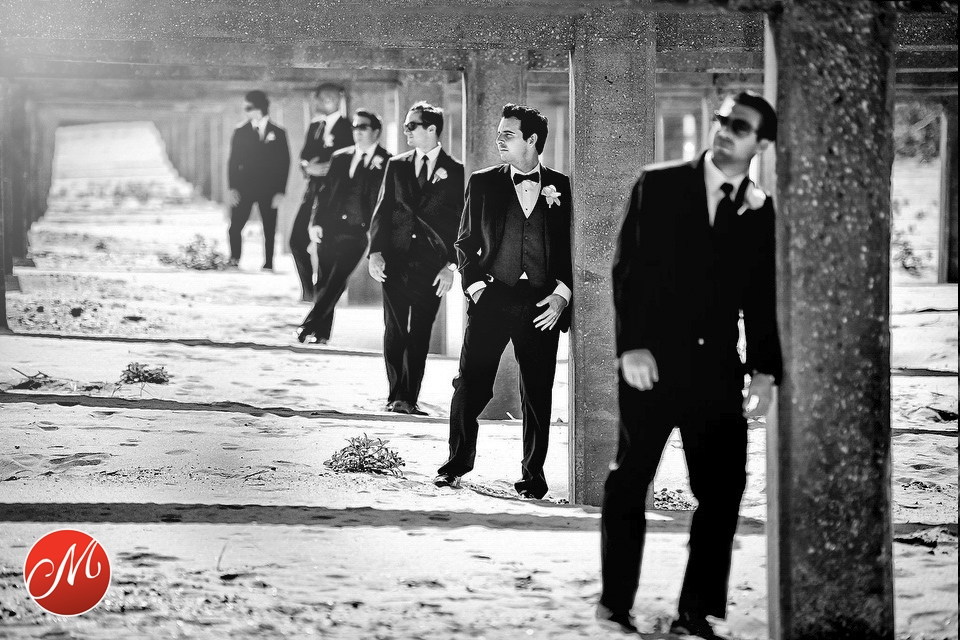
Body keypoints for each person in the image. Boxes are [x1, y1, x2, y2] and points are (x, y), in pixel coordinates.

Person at [597, 91, 783, 639]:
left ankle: (695, 612)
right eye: (722, 120)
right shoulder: (658, 184)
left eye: (739, 126)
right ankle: (614, 605)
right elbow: (627, 269)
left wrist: (764, 370)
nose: (724, 130)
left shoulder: (760, 208)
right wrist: (631, 346)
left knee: (723, 490)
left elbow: (762, 298)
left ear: (761, 144)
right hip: (650, 365)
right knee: (630, 480)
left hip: (717, 371)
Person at [434, 104, 572, 500]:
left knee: (538, 393)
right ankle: (455, 466)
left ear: (532, 140)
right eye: (499, 133)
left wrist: (562, 296)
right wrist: (477, 289)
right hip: (492, 296)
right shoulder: (482, 183)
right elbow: (464, 242)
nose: (499, 140)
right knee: (471, 384)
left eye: (507, 134)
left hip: (542, 304)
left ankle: (533, 478)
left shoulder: (562, 186)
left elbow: (571, 249)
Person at [367, 102, 464, 415]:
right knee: (394, 328)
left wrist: (451, 266)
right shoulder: (396, 165)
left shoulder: (456, 170)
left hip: (432, 267)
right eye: (406, 125)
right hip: (394, 261)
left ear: (431, 129)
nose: (406, 130)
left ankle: (409, 398)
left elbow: (461, 223)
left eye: (412, 125)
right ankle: (395, 395)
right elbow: (382, 211)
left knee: (421, 331)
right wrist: (375, 253)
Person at [296, 110, 391, 344]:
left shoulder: (389, 161)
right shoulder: (340, 157)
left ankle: (308, 325)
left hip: (358, 232)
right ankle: (321, 333)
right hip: (329, 228)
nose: (357, 131)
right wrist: (315, 222)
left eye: (363, 127)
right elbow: (324, 192)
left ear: (376, 131)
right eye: (355, 127)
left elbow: (388, 202)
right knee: (324, 280)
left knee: (338, 278)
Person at [290, 83, 354, 300]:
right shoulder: (315, 126)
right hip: (312, 192)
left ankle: (324, 292)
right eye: (322, 97)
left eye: (331, 97)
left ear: (338, 99)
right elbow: (304, 157)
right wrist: (308, 167)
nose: (326, 101)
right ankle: (309, 290)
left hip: (334, 195)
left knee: (327, 244)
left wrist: (327, 168)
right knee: (297, 240)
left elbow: (348, 159)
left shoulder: (348, 127)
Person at [226, 90, 290, 270]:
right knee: (235, 226)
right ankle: (234, 259)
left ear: (259, 108)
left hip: (269, 189)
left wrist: (281, 191)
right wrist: (232, 187)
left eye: (248, 107)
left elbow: (285, 163)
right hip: (244, 188)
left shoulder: (279, 132)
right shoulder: (240, 131)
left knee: (269, 227)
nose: (245, 111)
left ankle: (268, 263)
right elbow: (233, 161)